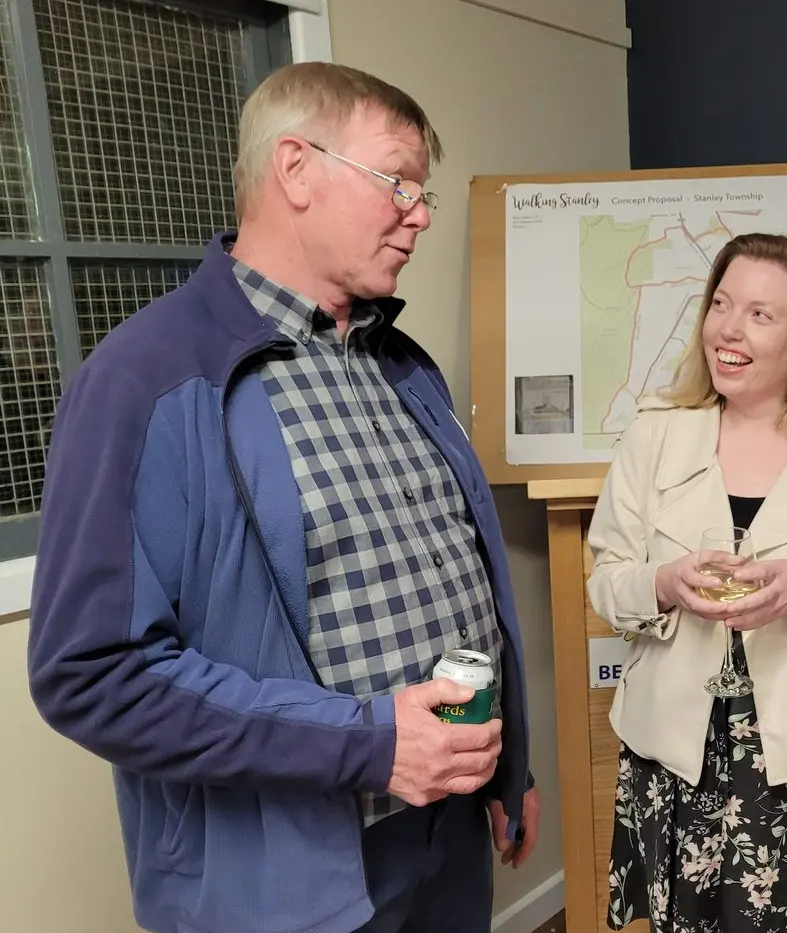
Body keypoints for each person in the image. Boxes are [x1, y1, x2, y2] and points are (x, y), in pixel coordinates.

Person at [27, 62, 539, 933]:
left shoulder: (404, 363)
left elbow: (460, 577)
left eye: (425, 193)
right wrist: (370, 744)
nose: (418, 214)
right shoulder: (142, 380)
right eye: (397, 183)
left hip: (447, 834)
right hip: (285, 882)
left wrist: (504, 762)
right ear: (295, 168)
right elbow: (92, 674)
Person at [586, 232, 787, 933]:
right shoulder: (655, 432)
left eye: (761, 315)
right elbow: (607, 580)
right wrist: (665, 583)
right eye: (722, 304)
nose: (728, 330)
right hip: (675, 755)